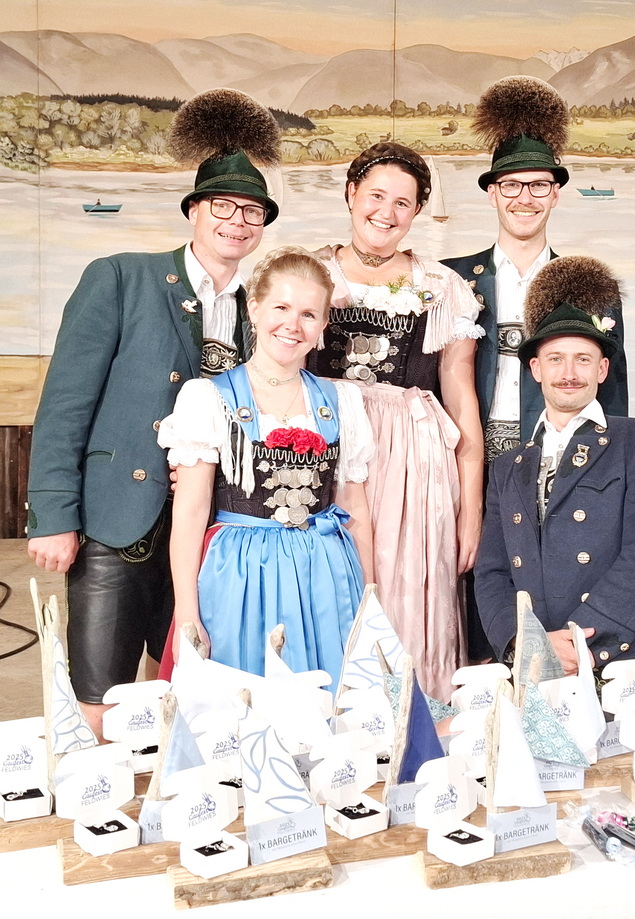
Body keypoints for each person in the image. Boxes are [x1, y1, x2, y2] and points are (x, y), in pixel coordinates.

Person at [26, 89, 279, 735]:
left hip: (212, 528)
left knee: (186, 691)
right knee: (102, 700)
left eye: (253, 211)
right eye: (223, 205)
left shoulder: (261, 309)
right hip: (117, 517)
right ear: (194, 209)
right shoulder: (120, 277)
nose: (238, 221)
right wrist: (53, 514)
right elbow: (65, 404)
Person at [309, 141, 483, 702]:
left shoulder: (442, 287)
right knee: (330, 586)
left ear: (418, 211)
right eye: (376, 195)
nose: (386, 212)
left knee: (407, 591)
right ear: (350, 194)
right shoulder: (309, 273)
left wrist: (471, 511)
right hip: (323, 449)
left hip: (413, 463)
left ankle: (414, 724)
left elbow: (462, 402)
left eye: (403, 202)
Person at [160, 248, 374, 685]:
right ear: (254, 309)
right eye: (281, 308)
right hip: (240, 574)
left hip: (326, 574)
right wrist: (186, 612)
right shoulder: (209, 398)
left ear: (323, 325)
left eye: (309, 314)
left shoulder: (342, 401)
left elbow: (356, 509)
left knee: (334, 695)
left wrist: (369, 601)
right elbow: (191, 512)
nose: (293, 325)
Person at [476, 256, 635, 674]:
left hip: (614, 657)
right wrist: (522, 642)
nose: (568, 373)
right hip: (534, 660)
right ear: (535, 369)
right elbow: (492, 572)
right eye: (555, 359)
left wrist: (579, 642)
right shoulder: (508, 465)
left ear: (603, 369)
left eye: (583, 359)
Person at [442, 76, 629, 465]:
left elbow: (611, 394)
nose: (524, 198)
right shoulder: (450, 279)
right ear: (492, 193)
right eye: (511, 185)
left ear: (555, 193)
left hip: (560, 456)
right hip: (461, 457)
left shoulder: (591, 287)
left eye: (539, 185)